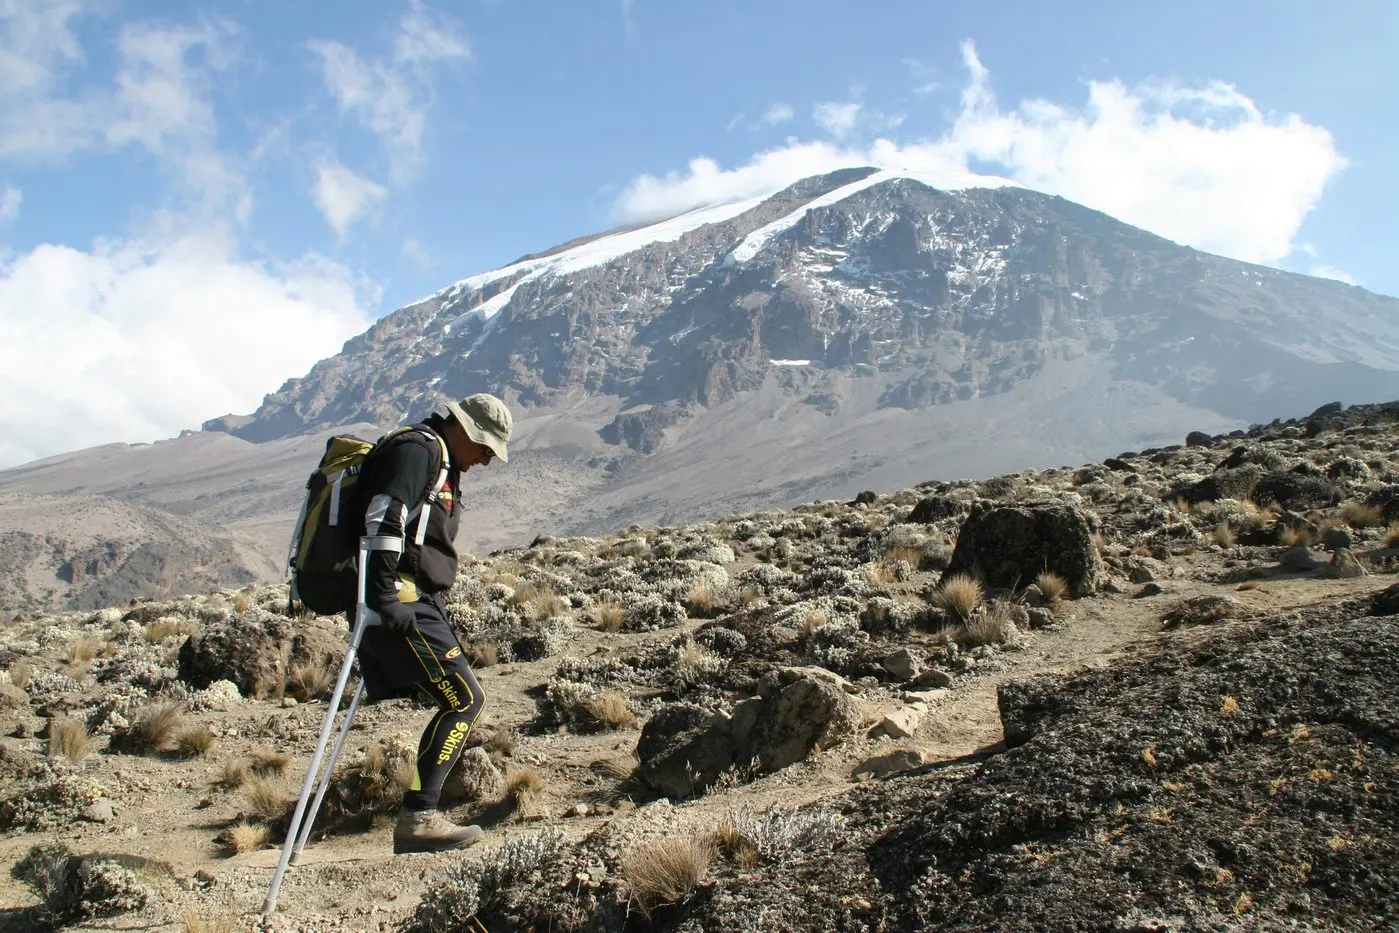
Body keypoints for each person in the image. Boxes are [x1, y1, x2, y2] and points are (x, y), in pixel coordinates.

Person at [354, 393, 513, 854]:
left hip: (412, 598)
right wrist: (385, 597)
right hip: (399, 599)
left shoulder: (442, 459)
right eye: (484, 447)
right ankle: (419, 818)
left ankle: (420, 814)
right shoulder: (418, 451)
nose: (485, 460)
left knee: (460, 698)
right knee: (465, 699)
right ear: (462, 428)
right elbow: (384, 516)